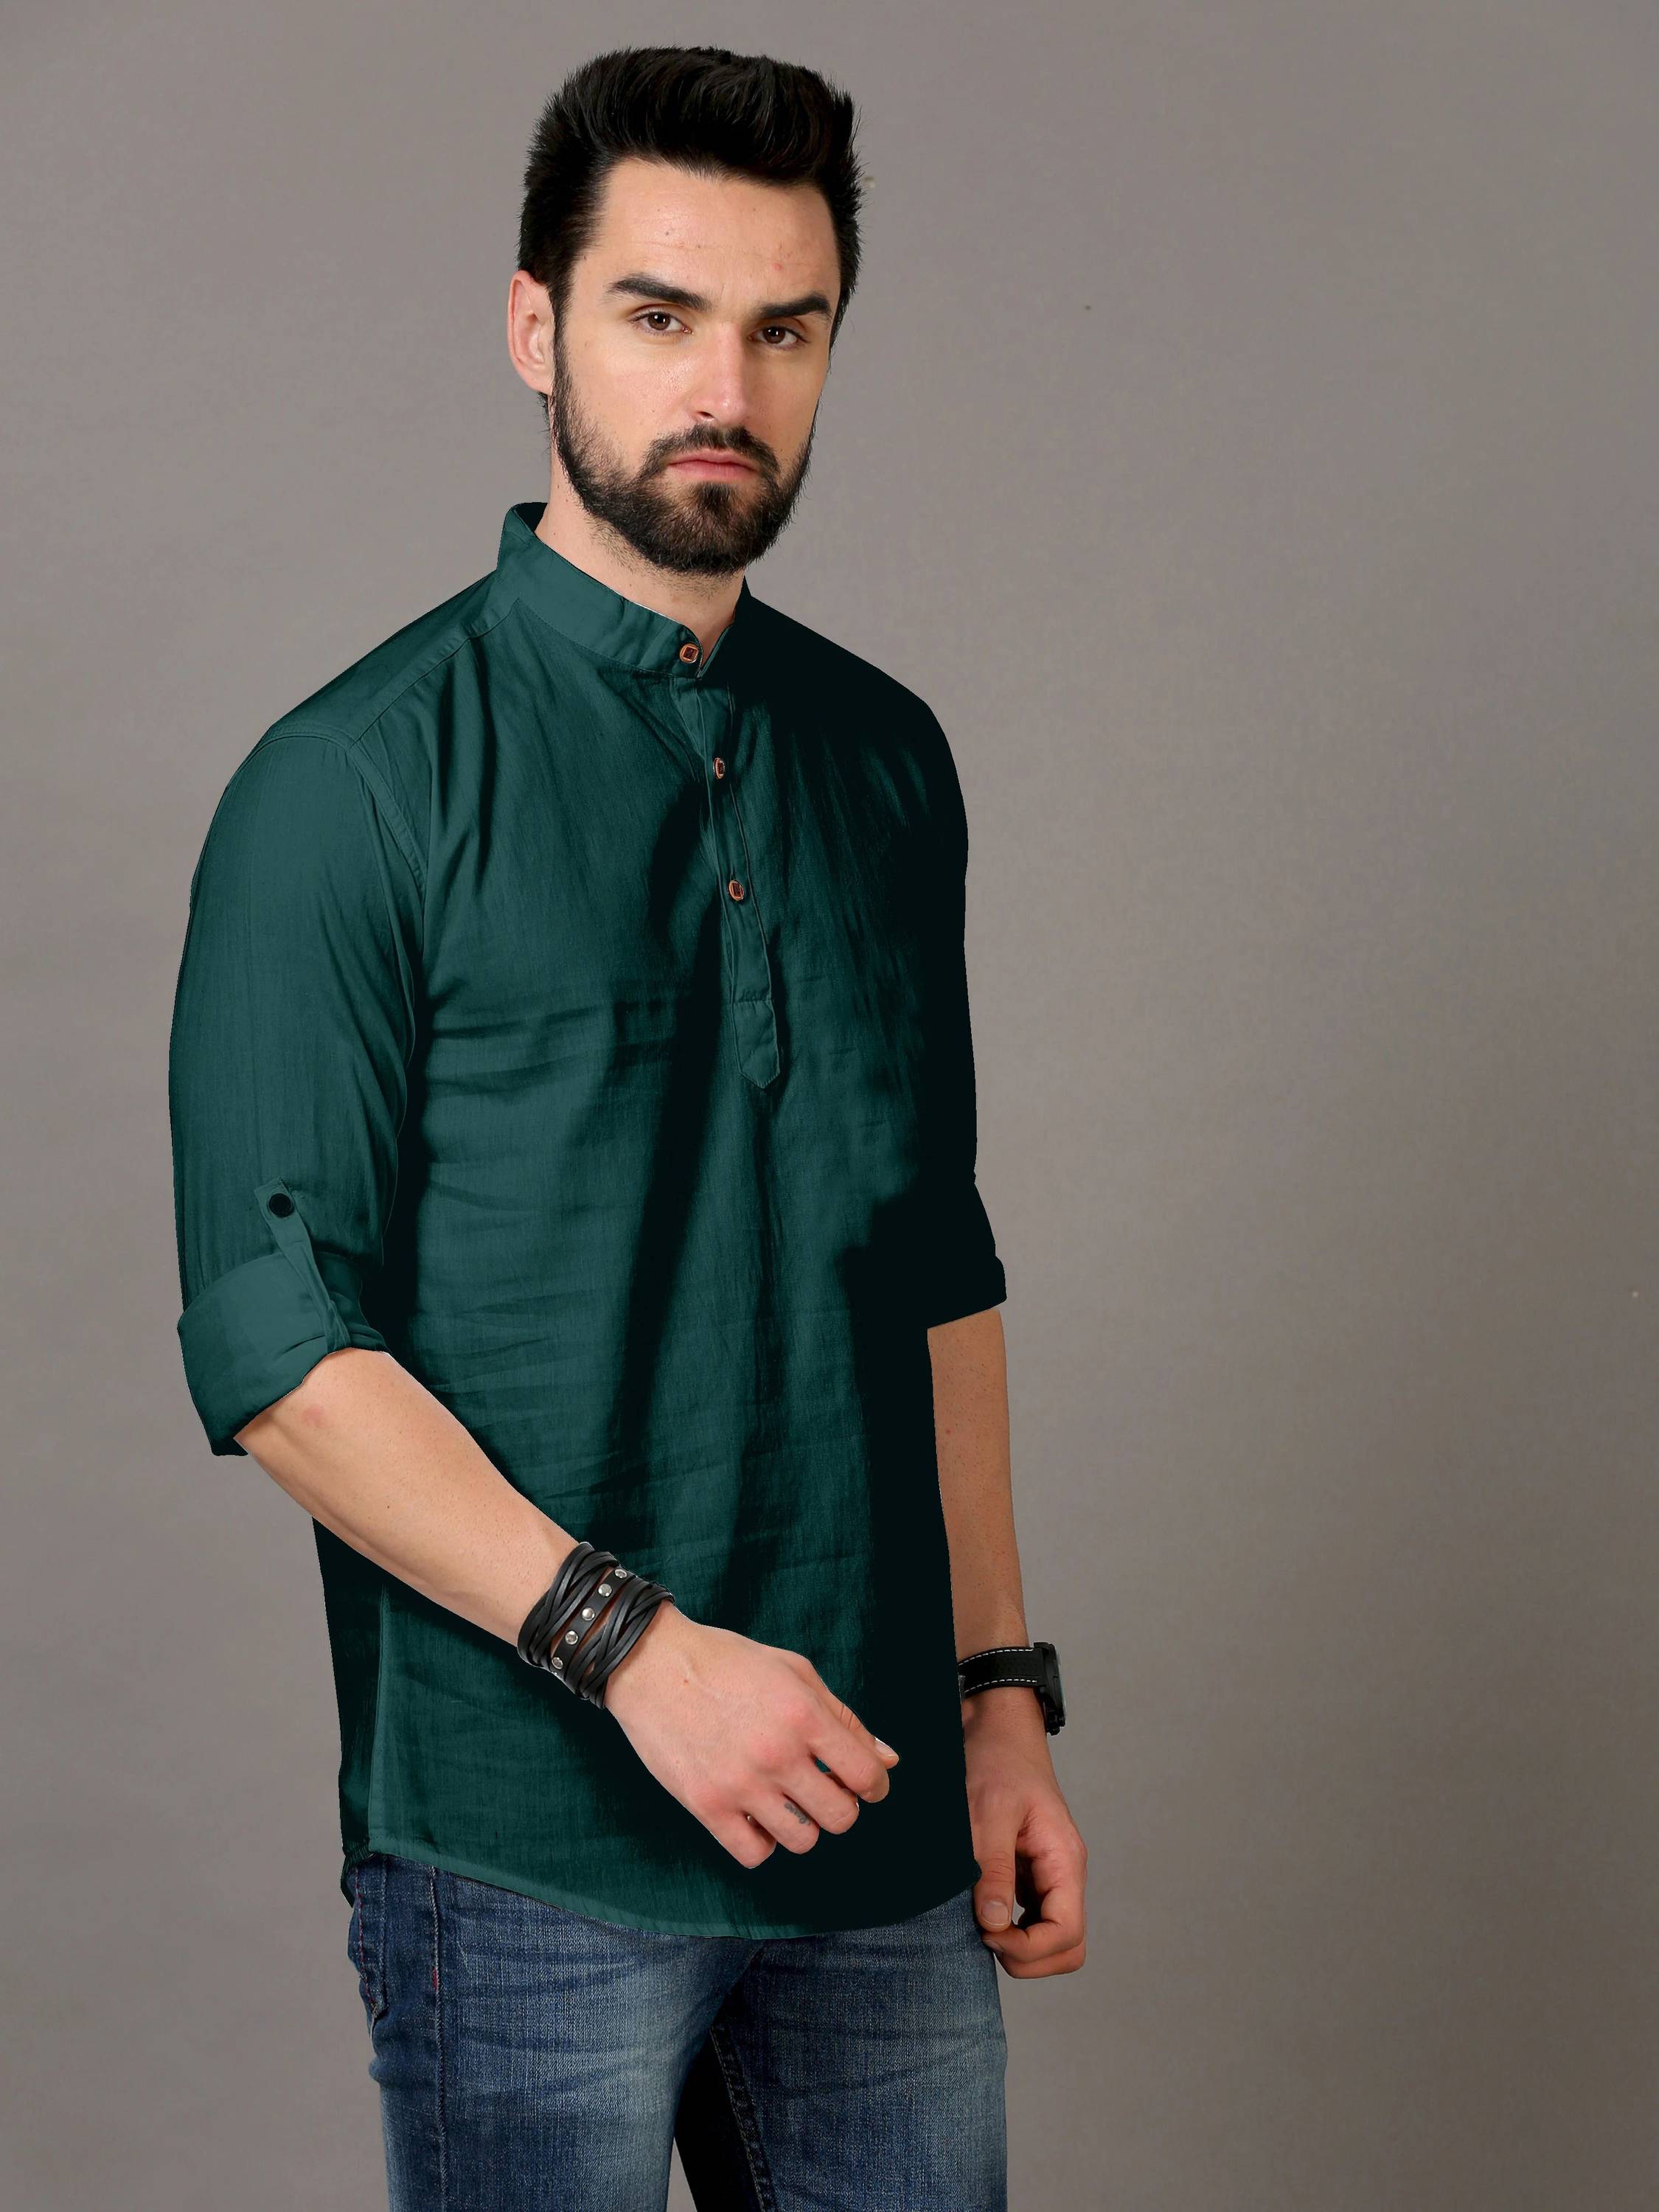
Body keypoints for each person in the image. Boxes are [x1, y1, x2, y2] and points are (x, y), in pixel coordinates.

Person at [167, 41, 1086, 2211]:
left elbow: (932, 1261)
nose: (724, 389)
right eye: (660, 315)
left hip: (876, 1832)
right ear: (535, 327)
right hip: (527, 1843)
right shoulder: (351, 784)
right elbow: (277, 1347)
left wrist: (998, 1701)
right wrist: (641, 1659)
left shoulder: (885, 760)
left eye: (786, 329)